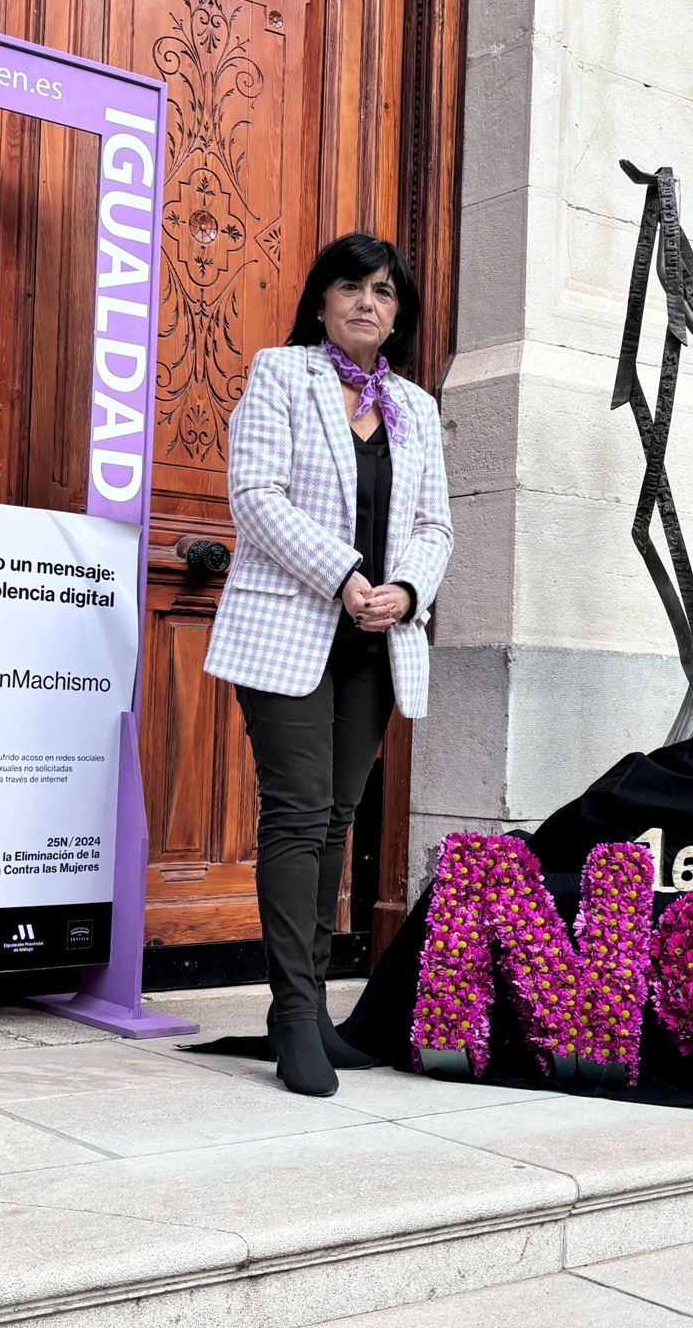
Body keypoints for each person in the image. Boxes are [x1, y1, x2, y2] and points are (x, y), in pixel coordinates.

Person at [205, 233, 453, 1097]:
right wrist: (345, 576)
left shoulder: (417, 408)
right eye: (350, 287)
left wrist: (407, 591)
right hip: (289, 627)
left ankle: (309, 1008)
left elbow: (434, 525)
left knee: (338, 817)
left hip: (377, 640)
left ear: (398, 315)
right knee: (298, 813)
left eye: (384, 292)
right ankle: (295, 1015)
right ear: (320, 302)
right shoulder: (281, 374)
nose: (367, 303)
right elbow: (255, 498)